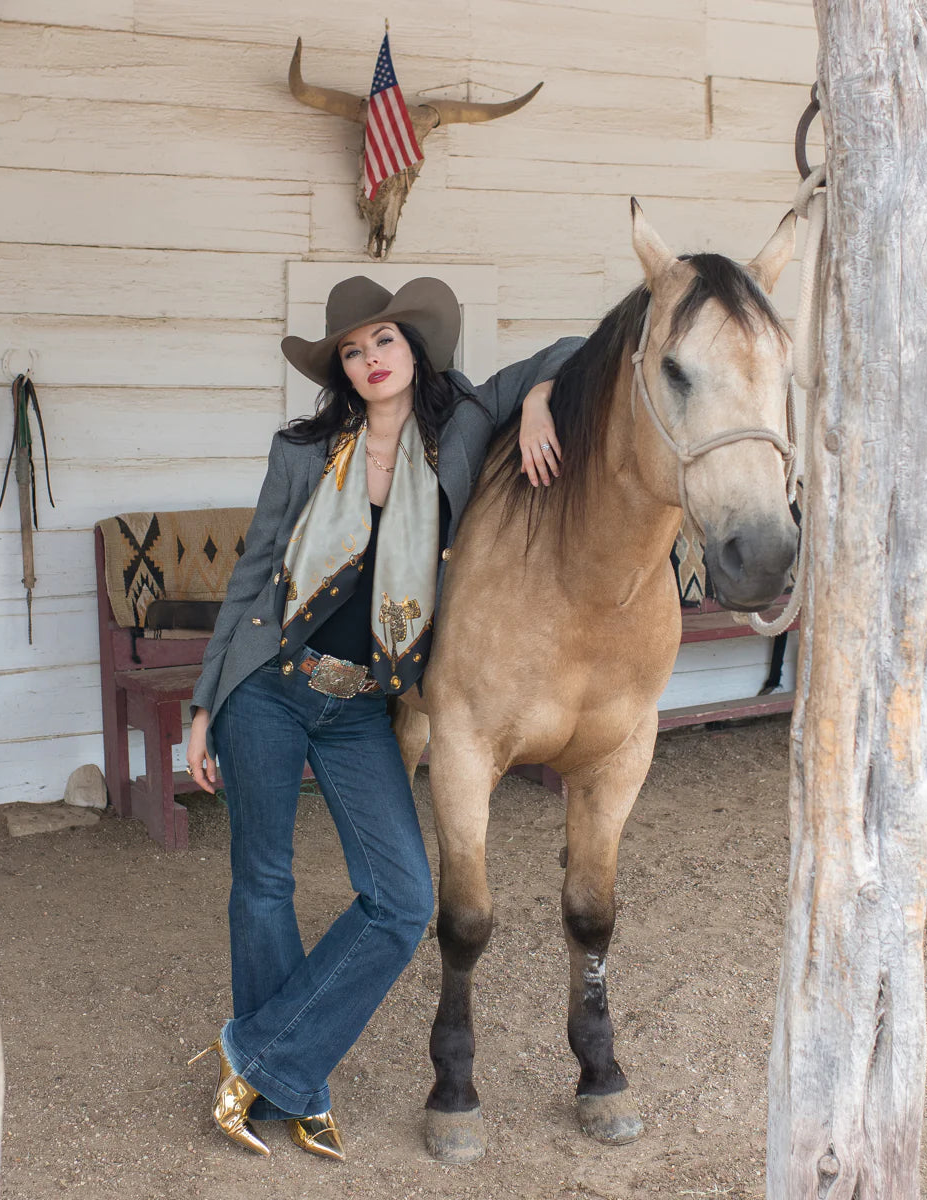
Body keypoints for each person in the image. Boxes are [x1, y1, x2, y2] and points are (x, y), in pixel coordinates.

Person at [185, 275, 582, 1161]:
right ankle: (292, 1083)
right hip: (269, 687)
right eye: (354, 351)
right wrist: (204, 705)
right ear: (342, 367)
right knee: (264, 884)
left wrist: (544, 400)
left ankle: (260, 1060)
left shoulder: (465, 429)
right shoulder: (302, 451)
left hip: (365, 704)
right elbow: (252, 577)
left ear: (415, 351)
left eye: (385, 344)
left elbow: (568, 352)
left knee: (402, 901)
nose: (370, 360)